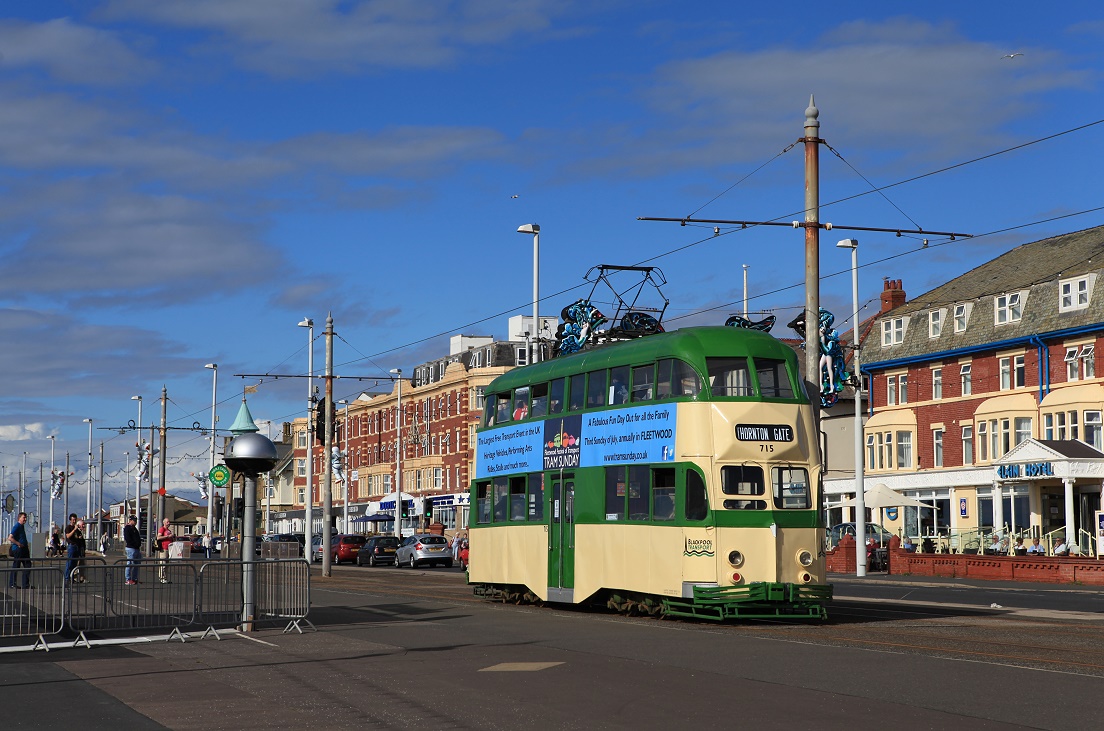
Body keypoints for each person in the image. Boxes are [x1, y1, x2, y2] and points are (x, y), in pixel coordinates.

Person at [7, 511, 32, 589]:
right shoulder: (17, 526)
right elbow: (10, 537)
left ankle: (26, 584)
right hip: (18, 549)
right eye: (23, 517)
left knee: (28, 565)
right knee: (16, 565)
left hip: (24, 549)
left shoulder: (22, 526)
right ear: (19, 518)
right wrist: (18, 544)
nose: (25, 519)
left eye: (26, 518)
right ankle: (12, 583)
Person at [64, 514, 86, 584]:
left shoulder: (77, 530)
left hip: (77, 547)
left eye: (75, 519)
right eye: (73, 520)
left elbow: (80, 537)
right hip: (71, 546)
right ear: (70, 520)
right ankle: (67, 578)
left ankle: (72, 577)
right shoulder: (69, 528)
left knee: (74, 563)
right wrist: (74, 529)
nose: (74, 521)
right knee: (69, 563)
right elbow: (68, 536)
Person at [123, 515, 142, 585]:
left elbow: (138, 537)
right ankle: (128, 579)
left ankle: (134, 578)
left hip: (136, 549)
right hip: (131, 548)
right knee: (130, 563)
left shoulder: (135, 529)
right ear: (130, 520)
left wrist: (138, 544)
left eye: (136, 520)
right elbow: (128, 539)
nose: (135, 522)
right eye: (134, 520)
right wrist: (135, 544)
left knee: (136, 564)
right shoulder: (127, 528)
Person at [156, 517, 175, 583]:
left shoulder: (169, 530)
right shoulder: (162, 529)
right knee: (163, 564)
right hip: (164, 549)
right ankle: (161, 577)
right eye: (167, 522)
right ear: (164, 523)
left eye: (169, 522)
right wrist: (167, 536)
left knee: (167, 565)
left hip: (169, 549)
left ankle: (165, 578)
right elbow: (158, 537)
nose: (168, 523)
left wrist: (172, 537)